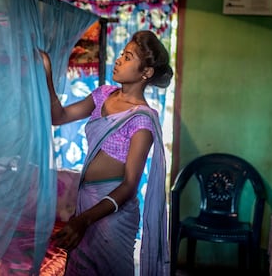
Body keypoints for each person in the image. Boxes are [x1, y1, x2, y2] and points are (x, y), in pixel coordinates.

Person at [40, 30, 173, 275]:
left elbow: (130, 186)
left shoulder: (141, 120)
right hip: (85, 202)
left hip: (111, 216)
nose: (119, 60)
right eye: (122, 53)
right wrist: (47, 72)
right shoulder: (103, 95)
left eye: (129, 56)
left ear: (146, 72)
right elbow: (58, 116)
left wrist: (84, 220)